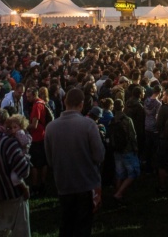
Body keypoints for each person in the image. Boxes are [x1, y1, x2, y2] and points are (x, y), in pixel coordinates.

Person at [45, 87, 105, 237]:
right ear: (81, 104)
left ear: (65, 102)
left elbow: (50, 160)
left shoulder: (51, 127)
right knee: (83, 226)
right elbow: (99, 156)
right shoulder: (89, 125)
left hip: (63, 183)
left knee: (66, 224)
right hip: (86, 184)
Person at [0, 108, 31, 237]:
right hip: (12, 190)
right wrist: (24, 186)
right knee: (19, 226)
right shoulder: (8, 141)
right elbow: (22, 168)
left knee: (3, 222)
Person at [110, 98, 141, 203]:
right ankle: (119, 193)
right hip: (127, 149)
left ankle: (118, 192)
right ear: (123, 107)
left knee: (119, 173)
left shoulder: (112, 119)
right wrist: (135, 148)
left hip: (116, 149)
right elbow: (133, 136)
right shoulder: (127, 120)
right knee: (134, 172)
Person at [25, 86, 49, 196]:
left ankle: (35, 187)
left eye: (29, 96)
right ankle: (43, 184)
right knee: (43, 162)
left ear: (35, 95)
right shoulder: (42, 102)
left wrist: (23, 126)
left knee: (34, 164)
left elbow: (34, 125)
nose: (27, 99)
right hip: (43, 135)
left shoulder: (36, 106)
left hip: (36, 137)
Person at [4, 115, 32, 201]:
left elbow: (25, 142)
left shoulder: (22, 133)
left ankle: (25, 189)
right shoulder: (13, 134)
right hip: (16, 158)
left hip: (23, 159)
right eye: (11, 128)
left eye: (15, 127)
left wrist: (19, 133)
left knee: (15, 177)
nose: (13, 130)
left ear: (21, 126)